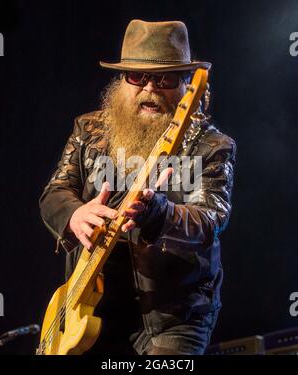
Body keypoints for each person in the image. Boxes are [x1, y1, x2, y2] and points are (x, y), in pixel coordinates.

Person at [39, 19, 236, 355]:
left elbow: (211, 218)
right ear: (122, 81)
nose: (149, 88)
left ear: (187, 84)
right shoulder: (88, 129)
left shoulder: (211, 146)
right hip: (91, 306)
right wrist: (75, 214)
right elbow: (55, 193)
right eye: (137, 76)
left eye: (164, 78)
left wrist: (159, 214)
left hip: (174, 317)